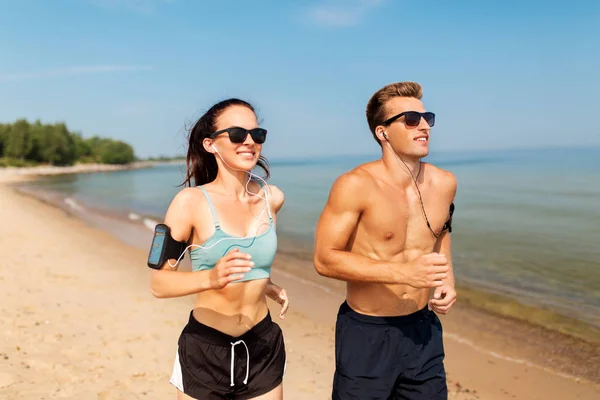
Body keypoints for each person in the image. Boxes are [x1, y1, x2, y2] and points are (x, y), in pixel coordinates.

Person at [313, 81, 457, 399]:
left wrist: (447, 279)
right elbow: (325, 258)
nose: (423, 126)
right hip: (367, 332)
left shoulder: (445, 183)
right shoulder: (355, 185)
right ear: (383, 132)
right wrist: (404, 273)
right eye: (410, 119)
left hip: (423, 330)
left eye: (427, 118)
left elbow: (441, 233)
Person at [149, 98, 289, 400]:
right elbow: (159, 284)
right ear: (211, 144)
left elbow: (252, 260)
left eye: (257, 134)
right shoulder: (190, 202)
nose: (250, 142)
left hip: (263, 344)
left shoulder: (272, 198)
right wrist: (212, 278)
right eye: (238, 134)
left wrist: (265, 283)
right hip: (205, 350)